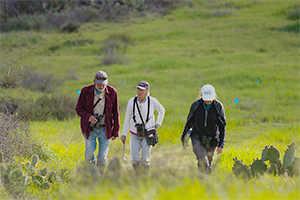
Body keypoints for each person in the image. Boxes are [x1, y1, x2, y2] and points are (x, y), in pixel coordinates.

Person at [76, 70, 120, 173]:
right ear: (94, 81)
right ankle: (91, 176)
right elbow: (79, 109)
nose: (101, 86)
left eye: (103, 84)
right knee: (89, 156)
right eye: (99, 84)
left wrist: (115, 131)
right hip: (90, 128)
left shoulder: (112, 92)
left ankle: (100, 178)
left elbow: (115, 112)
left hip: (106, 129)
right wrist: (89, 116)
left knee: (102, 158)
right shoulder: (85, 91)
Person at [121, 81, 165, 173]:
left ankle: (144, 176)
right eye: (138, 89)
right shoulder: (131, 102)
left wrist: (157, 124)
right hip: (134, 133)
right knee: (134, 158)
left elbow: (162, 110)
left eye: (141, 90)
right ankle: (138, 174)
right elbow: (127, 118)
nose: (139, 91)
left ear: (147, 91)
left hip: (148, 133)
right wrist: (124, 134)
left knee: (145, 158)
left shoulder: (152, 101)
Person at [181, 84, 226, 174]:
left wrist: (221, 144)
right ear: (201, 95)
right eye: (206, 98)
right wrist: (184, 138)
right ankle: (202, 180)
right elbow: (189, 122)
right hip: (197, 138)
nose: (208, 101)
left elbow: (222, 126)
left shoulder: (218, 106)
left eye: (210, 98)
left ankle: (205, 183)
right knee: (203, 161)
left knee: (209, 163)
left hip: (212, 139)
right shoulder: (196, 105)